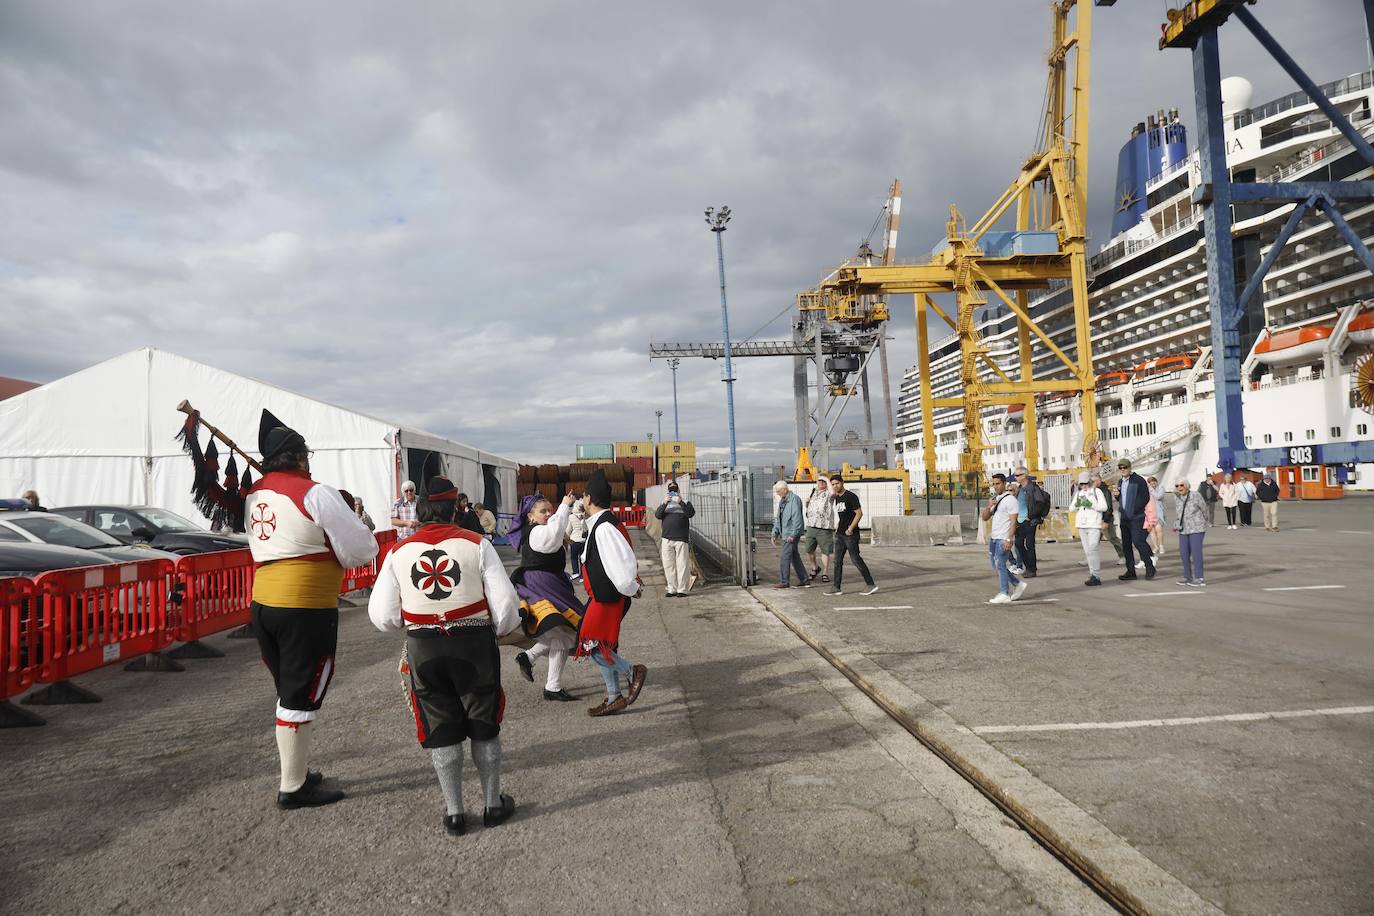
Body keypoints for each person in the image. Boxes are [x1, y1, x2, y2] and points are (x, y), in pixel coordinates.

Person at [367, 475, 520, 835]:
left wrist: (415, 624)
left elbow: (382, 615)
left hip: (425, 648)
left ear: (419, 509)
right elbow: (506, 606)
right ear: (454, 508)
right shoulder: (477, 544)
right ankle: (492, 805)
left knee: (440, 722)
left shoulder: (398, 552)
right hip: (474, 646)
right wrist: (496, 629)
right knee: (483, 720)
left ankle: (454, 813)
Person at [245, 409, 378, 809]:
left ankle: (297, 771)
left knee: (289, 691)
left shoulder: (254, 493)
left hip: (263, 603)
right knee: (299, 695)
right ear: (300, 457)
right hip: (304, 606)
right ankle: (292, 787)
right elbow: (361, 549)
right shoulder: (315, 492)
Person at [577, 468, 647, 717]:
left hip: (608, 598)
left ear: (588, 499)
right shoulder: (603, 524)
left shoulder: (604, 528)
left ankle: (632, 672)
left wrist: (632, 587)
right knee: (605, 645)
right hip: (605, 596)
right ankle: (614, 696)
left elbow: (620, 566)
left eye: (582, 498)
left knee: (591, 645)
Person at [507, 493, 582, 702]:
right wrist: (564, 506)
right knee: (563, 632)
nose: (549, 514)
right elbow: (555, 533)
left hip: (548, 583)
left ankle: (529, 658)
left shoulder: (539, 530)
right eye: (543, 511)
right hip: (541, 585)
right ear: (530, 516)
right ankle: (552, 686)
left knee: (558, 631)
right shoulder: (538, 532)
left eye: (550, 510)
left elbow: (558, 533)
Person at [825, 478, 878, 597]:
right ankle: (836, 587)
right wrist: (838, 528)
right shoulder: (837, 498)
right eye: (833, 484)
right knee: (837, 561)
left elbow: (859, 513)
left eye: (837, 483)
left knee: (855, 559)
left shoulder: (850, 496)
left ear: (842, 483)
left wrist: (851, 528)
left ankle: (870, 584)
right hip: (840, 535)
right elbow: (843, 516)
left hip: (850, 535)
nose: (835, 486)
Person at [980, 473, 1026, 604]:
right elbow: (984, 517)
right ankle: (1017, 584)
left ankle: (1004, 593)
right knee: (995, 565)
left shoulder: (1010, 500)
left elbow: (1013, 522)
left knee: (1000, 564)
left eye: (998, 483)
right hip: (994, 537)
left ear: (1004, 483)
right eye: (993, 484)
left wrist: (1009, 539)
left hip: (1003, 538)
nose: (995, 486)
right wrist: (989, 506)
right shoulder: (996, 499)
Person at [1113, 458, 1155, 581]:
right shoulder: (1121, 482)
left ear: (1130, 468)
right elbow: (1122, 498)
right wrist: (1117, 496)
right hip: (1124, 517)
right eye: (1120, 468)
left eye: (1125, 468)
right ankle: (1131, 571)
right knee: (1126, 545)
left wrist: (1135, 508)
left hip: (1136, 517)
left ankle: (1149, 566)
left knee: (1138, 542)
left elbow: (1145, 497)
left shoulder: (1139, 480)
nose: (1122, 470)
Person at [653, 481, 694, 597]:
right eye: (671, 490)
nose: (673, 493)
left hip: (681, 538)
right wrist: (665, 503)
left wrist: (680, 501)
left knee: (682, 565)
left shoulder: (685, 501)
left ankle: (682, 589)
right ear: (668, 491)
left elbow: (690, 513)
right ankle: (672, 588)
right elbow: (658, 515)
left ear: (678, 490)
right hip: (667, 538)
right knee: (668, 565)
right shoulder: (664, 502)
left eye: (675, 490)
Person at [770, 481, 811, 589]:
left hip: (791, 534)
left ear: (784, 489)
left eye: (778, 491)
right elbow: (779, 519)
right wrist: (775, 533)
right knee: (794, 556)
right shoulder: (783, 501)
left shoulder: (794, 500)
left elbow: (797, 519)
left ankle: (784, 581)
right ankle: (804, 579)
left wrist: (792, 535)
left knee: (785, 557)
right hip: (787, 533)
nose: (777, 493)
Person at [1011, 467, 1048, 578]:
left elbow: (1040, 503)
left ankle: (1032, 569)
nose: (1016, 477)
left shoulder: (1033, 488)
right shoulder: (1020, 488)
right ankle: (1029, 567)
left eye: (1017, 475)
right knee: (1018, 544)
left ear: (1024, 475)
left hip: (1029, 521)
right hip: (1019, 521)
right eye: (1015, 475)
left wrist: (1031, 516)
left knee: (1030, 545)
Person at [1072, 471, 1108, 586]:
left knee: (1093, 549)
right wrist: (1077, 504)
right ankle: (1092, 573)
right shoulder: (1079, 493)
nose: (1084, 486)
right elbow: (1071, 508)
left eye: (1086, 483)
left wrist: (1091, 504)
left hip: (1094, 525)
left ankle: (1096, 575)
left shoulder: (1097, 492)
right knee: (1088, 552)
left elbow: (1104, 507)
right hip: (1082, 525)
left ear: (1090, 482)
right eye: (1081, 484)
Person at [1171, 479, 1207, 587]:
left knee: (1196, 553)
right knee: (1184, 553)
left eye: (1181, 485)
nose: (1179, 488)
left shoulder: (1196, 495)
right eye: (1177, 485)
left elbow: (1204, 509)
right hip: (1183, 529)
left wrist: (1203, 521)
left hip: (1197, 528)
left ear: (1187, 486)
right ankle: (1187, 577)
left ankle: (1199, 577)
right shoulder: (1177, 497)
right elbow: (1178, 512)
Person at [800, 475, 835, 583]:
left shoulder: (829, 493)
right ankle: (815, 567)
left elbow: (833, 493)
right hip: (811, 525)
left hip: (824, 526)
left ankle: (825, 573)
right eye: (819, 481)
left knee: (825, 551)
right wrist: (807, 503)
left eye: (823, 481)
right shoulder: (813, 492)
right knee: (809, 550)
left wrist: (827, 479)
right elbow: (809, 507)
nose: (820, 482)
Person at [1092, 472, 1124, 564]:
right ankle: (1090, 558)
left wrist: (1106, 521)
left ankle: (1123, 556)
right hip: (1096, 520)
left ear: (1098, 481)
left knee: (1112, 538)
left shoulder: (1104, 491)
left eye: (1093, 481)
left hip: (1105, 519)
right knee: (1093, 541)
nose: (1092, 482)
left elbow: (1108, 507)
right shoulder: (1093, 490)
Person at [566, 498, 588, 575]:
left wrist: (567, 538)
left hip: (574, 541)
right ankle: (583, 575)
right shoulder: (585, 516)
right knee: (582, 559)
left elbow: (568, 530)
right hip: (583, 540)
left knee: (574, 558)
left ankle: (575, 573)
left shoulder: (571, 517)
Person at [1147, 476, 1167, 559]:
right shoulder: (1148, 490)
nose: (1153, 484)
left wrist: (1151, 490)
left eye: (1154, 482)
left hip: (1159, 512)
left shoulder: (1161, 488)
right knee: (1152, 531)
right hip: (1150, 512)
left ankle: (1161, 545)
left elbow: (1158, 496)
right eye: (1151, 483)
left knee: (1159, 529)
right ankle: (1155, 546)